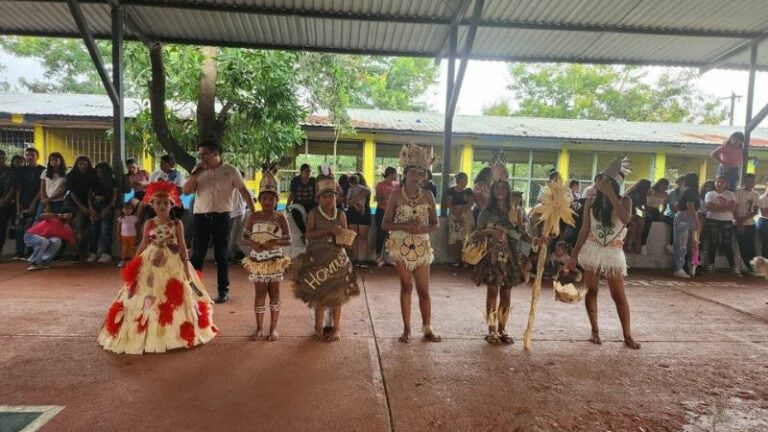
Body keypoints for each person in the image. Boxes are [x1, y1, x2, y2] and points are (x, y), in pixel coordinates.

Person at [98, 181, 217, 354]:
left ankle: (174, 331)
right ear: (152, 205)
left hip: (173, 259)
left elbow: (183, 245)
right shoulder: (149, 223)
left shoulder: (177, 224)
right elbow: (144, 243)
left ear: (171, 205)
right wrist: (135, 261)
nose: (161, 206)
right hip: (151, 259)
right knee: (145, 292)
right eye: (158, 203)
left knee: (176, 292)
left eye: (165, 203)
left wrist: (185, 264)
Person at [568, 156, 640, 350]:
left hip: (613, 251)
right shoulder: (591, 201)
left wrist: (611, 196)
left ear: (612, 184)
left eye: (603, 180)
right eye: (598, 180)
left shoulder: (625, 200)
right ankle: (595, 331)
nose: (598, 183)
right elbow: (584, 230)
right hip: (592, 249)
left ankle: (627, 335)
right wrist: (574, 256)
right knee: (592, 290)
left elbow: (625, 219)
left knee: (618, 295)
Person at [292, 165, 360, 341]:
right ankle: (318, 327)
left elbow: (345, 236)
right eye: (325, 196)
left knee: (337, 294)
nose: (329, 199)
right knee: (320, 293)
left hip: (337, 259)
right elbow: (308, 234)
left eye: (332, 196)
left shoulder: (341, 215)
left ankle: (336, 328)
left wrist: (345, 237)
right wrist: (329, 231)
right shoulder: (314, 213)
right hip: (318, 258)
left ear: (337, 198)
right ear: (319, 199)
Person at [183, 139, 254, 304]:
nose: (201, 158)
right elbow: (186, 191)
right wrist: (195, 174)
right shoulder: (197, 170)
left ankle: (223, 291)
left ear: (216, 154)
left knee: (221, 255)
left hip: (222, 218)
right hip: (201, 217)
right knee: (197, 255)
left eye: (204, 154)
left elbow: (244, 192)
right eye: (199, 155)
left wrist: (254, 213)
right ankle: (194, 290)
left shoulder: (230, 170)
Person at [383, 144, 441, 344]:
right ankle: (407, 328)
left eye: (421, 173)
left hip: (422, 245)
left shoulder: (428, 195)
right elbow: (385, 224)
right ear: (406, 173)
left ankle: (427, 327)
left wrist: (421, 230)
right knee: (406, 285)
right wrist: (405, 226)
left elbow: (435, 224)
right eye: (413, 172)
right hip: (400, 243)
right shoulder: (396, 195)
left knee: (424, 289)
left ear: (424, 175)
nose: (417, 177)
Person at [470, 179, 525, 345]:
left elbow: (521, 233)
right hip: (492, 257)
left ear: (508, 191)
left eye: (504, 187)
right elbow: (476, 234)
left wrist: (537, 240)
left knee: (507, 294)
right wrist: (490, 231)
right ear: (492, 191)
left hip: (511, 256)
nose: (500, 190)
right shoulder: (486, 211)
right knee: (493, 292)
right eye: (497, 188)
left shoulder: (516, 211)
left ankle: (502, 329)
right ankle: (492, 330)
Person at [241, 164, 291, 342]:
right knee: (260, 293)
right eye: (264, 199)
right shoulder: (253, 217)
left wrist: (274, 242)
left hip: (275, 259)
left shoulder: (280, 217)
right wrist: (253, 244)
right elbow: (243, 237)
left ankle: (274, 328)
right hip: (258, 260)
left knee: (275, 292)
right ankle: (259, 328)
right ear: (260, 200)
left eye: (271, 199)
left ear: (276, 200)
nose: (268, 202)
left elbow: (289, 239)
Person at [13, 148, 44, 261]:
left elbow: (41, 190)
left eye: (32, 155)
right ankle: (19, 252)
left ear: (37, 156)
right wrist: (18, 203)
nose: (30, 157)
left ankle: (29, 252)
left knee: (31, 226)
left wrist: (33, 204)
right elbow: (18, 188)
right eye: (27, 155)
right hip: (22, 203)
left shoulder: (42, 170)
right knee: (19, 227)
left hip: (36, 203)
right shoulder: (21, 171)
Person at [704, 176, 739, 275]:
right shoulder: (710, 194)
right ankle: (710, 265)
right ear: (715, 183)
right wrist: (725, 207)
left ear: (726, 184)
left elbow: (732, 207)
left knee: (727, 244)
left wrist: (717, 207)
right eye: (718, 182)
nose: (720, 184)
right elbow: (709, 207)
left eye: (722, 182)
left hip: (727, 220)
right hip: (712, 219)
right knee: (713, 242)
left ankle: (733, 266)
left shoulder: (730, 194)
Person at [66, 156, 98, 261]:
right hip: (72, 203)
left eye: (85, 164)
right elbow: (72, 193)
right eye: (80, 164)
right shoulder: (71, 175)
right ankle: (78, 253)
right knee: (78, 224)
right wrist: (82, 207)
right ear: (77, 165)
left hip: (86, 204)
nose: (83, 166)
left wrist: (89, 207)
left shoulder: (91, 175)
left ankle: (85, 252)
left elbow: (90, 193)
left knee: (88, 226)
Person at [672, 173, 700, 279]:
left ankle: (690, 264)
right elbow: (690, 207)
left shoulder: (684, 190)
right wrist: (697, 222)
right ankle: (679, 267)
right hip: (687, 217)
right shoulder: (691, 191)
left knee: (691, 242)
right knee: (683, 243)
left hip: (685, 217)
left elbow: (677, 205)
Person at [88, 162, 117, 264]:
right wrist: (91, 209)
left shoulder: (111, 181)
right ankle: (92, 253)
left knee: (105, 231)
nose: (99, 173)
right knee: (93, 231)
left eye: (101, 172)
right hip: (95, 205)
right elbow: (89, 196)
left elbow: (114, 197)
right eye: (97, 171)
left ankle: (106, 253)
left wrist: (107, 208)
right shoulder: (93, 180)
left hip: (106, 205)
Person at [444, 172, 475, 268]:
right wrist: (456, 213)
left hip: (466, 214)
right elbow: (449, 203)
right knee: (454, 238)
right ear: (459, 180)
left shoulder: (469, 191)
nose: (466, 181)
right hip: (453, 215)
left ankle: (465, 259)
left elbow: (470, 203)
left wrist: (460, 211)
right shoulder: (450, 191)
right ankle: (457, 260)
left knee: (466, 237)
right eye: (464, 179)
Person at [734, 173, 759, 275]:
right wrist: (739, 221)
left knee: (751, 246)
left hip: (750, 223)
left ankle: (754, 268)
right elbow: (734, 208)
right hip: (737, 222)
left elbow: (756, 211)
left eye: (752, 181)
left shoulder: (756, 194)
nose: (750, 183)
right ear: (744, 182)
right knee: (741, 246)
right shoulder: (738, 192)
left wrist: (744, 220)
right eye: (748, 181)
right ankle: (742, 267)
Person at [374, 167, 398, 267]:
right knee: (381, 234)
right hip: (382, 212)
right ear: (390, 174)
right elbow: (379, 199)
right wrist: (390, 202)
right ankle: (378, 257)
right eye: (395, 174)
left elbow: (398, 199)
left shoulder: (397, 185)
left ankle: (390, 258)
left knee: (392, 236)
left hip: (393, 213)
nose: (396, 176)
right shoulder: (380, 185)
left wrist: (389, 201)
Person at [345, 174, 372, 267]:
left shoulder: (365, 189)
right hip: (353, 214)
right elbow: (347, 201)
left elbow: (348, 201)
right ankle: (355, 259)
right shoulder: (350, 190)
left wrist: (351, 201)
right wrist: (352, 202)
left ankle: (364, 260)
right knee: (354, 237)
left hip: (363, 214)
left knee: (363, 237)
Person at [286, 164, 316, 236]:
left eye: (310, 171)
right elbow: (292, 194)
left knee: (316, 212)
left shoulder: (313, 180)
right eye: (307, 171)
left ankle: (314, 232)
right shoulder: (295, 180)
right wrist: (287, 204)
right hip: (298, 203)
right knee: (295, 213)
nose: (309, 173)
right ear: (301, 172)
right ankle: (304, 233)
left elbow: (316, 193)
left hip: (310, 203)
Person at [227, 171, 251, 263]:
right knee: (229, 236)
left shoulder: (244, 186)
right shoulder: (229, 184)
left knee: (233, 236)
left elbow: (252, 199)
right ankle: (239, 253)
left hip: (239, 213)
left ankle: (227, 256)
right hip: (229, 213)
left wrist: (248, 207)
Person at [623, 179, 651, 255]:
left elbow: (644, 208)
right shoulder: (631, 194)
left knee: (641, 222)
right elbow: (628, 208)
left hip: (636, 213)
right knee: (634, 225)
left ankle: (635, 244)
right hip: (629, 213)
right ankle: (629, 244)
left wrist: (648, 198)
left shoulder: (643, 196)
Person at [641, 178, 670, 252]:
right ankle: (643, 244)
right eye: (663, 186)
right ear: (659, 184)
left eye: (666, 187)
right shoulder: (652, 191)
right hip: (649, 209)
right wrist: (647, 210)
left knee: (671, 220)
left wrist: (662, 213)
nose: (664, 188)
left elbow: (664, 205)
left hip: (658, 211)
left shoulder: (666, 194)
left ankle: (670, 244)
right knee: (647, 223)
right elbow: (646, 202)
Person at [663, 175, 685, 251]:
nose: (681, 185)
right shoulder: (673, 193)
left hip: (682, 215)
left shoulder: (688, 194)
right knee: (677, 221)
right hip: (670, 216)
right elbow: (673, 208)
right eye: (680, 183)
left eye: (684, 183)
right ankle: (671, 244)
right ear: (677, 183)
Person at [0, 150, 15, 260]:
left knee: (1, 229)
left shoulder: (10, 171)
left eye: (1, 158)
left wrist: (5, 200)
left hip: (4, 204)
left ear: (5, 158)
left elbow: (13, 188)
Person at [116, 203, 139, 268]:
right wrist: (118, 236)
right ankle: (123, 260)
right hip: (124, 236)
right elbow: (118, 228)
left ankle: (133, 260)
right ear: (123, 210)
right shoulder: (121, 218)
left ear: (132, 210)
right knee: (124, 248)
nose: (127, 210)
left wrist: (138, 235)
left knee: (132, 248)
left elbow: (137, 227)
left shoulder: (134, 218)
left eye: (129, 209)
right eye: (126, 209)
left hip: (133, 236)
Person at [757, 185, 768, 259]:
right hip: (764, 222)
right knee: (766, 244)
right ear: (766, 187)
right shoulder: (762, 198)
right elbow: (764, 213)